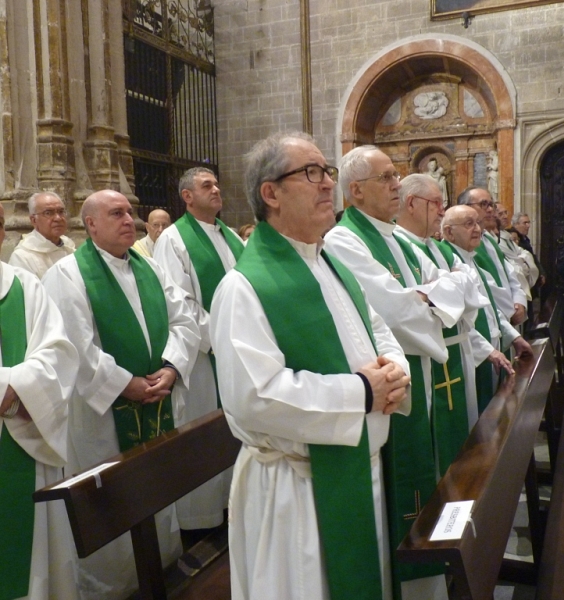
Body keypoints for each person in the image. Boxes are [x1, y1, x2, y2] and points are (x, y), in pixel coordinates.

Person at [210, 132, 411, 600]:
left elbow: (377, 329)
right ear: (271, 193)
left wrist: (395, 371)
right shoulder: (244, 287)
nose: (327, 185)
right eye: (311, 173)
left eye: (328, 173)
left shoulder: (330, 264)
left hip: (359, 473)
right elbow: (254, 397)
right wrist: (362, 393)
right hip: (297, 490)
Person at [43, 190, 200, 600]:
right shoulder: (68, 275)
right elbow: (73, 344)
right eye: (116, 213)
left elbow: (185, 320)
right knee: (111, 500)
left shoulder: (150, 268)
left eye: (130, 212)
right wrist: (123, 384)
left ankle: (160, 570)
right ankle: (109, 588)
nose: (130, 219)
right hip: (102, 417)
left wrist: (171, 368)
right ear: (91, 224)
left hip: (156, 400)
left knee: (155, 487)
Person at [326, 148, 468, 600]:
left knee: (424, 475)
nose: (396, 184)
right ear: (356, 190)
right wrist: (428, 301)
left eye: (396, 175)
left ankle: (430, 579)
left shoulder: (395, 238)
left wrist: (425, 299)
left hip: (419, 372)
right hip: (397, 379)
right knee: (400, 491)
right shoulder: (345, 239)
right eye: (386, 177)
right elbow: (391, 311)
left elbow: (451, 290)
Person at [153, 167, 244, 535]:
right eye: (207, 186)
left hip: (240, 354)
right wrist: (224, 339)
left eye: (218, 184)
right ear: (187, 196)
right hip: (207, 359)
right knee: (205, 440)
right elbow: (180, 303)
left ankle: (235, 513)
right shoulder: (173, 240)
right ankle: (203, 527)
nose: (217, 190)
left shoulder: (234, 236)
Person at [395, 173, 510, 451]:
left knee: (468, 435)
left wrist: (441, 289)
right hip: (435, 356)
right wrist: (452, 284)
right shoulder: (402, 245)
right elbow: (411, 307)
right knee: (442, 446)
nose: (441, 210)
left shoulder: (434, 247)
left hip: (460, 348)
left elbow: (472, 294)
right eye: (436, 203)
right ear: (412, 204)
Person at [0, 201, 80, 600]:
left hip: (20, 444)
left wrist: (14, 393)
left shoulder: (23, 286)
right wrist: (8, 387)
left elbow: (58, 354)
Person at [441, 205, 532, 408]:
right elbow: (459, 318)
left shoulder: (471, 260)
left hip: (493, 347)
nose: (477, 229)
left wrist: (514, 336)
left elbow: (490, 308)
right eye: (468, 224)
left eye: (477, 224)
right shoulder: (449, 260)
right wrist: (487, 350)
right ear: (449, 232)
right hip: (474, 353)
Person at [457, 187, 528, 326]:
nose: (490, 210)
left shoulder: (489, 239)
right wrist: (510, 311)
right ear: (465, 208)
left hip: (507, 316)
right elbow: (486, 287)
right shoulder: (462, 244)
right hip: (490, 321)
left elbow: (510, 274)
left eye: (491, 205)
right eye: (483, 204)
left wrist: (519, 300)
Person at [9, 192, 76, 278]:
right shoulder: (22, 257)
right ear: (34, 220)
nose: (58, 218)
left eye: (61, 211)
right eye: (48, 213)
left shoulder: (69, 246)